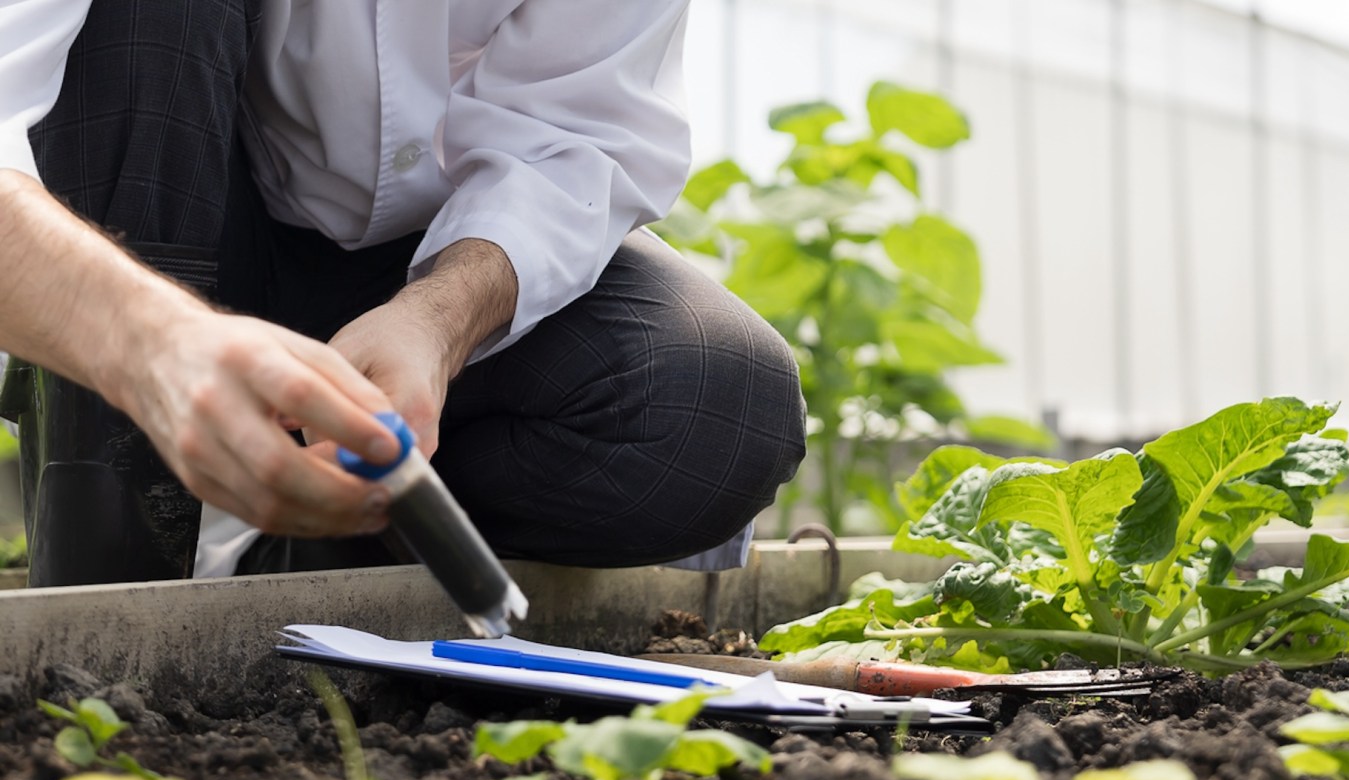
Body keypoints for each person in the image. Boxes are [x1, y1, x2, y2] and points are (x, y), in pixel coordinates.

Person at [0, 1, 806, 586]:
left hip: (423, 258)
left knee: (720, 409)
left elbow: (576, 132)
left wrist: (435, 323)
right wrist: (152, 343)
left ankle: (308, 566)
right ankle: (109, 591)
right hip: (155, 239)